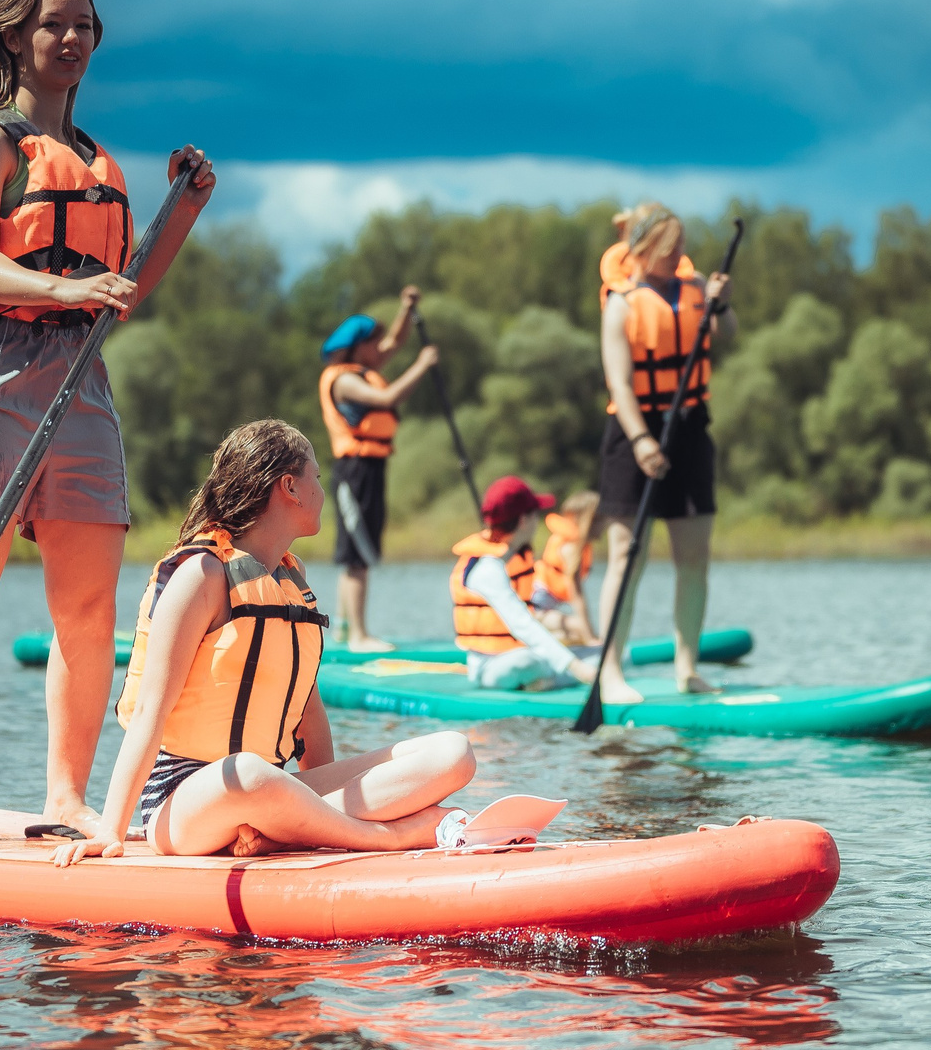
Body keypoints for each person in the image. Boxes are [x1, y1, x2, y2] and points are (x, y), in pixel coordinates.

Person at [0, 0, 214, 848]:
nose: (71, 41)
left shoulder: (98, 159)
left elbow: (123, 293)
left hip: (80, 374)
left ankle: (66, 799)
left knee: (87, 608)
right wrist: (61, 289)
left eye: (85, 27)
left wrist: (181, 210)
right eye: (53, 27)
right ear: (13, 39)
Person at [68, 419, 478, 863]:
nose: (322, 490)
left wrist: (315, 805)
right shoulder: (201, 576)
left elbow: (308, 711)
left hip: (271, 792)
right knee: (247, 773)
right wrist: (111, 829)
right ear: (290, 487)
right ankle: (388, 837)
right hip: (184, 800)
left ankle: (291, 833)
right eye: (316, 477)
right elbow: (150, 710)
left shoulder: (290, 579)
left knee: (453, 752)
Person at [595, 202, 730, 700]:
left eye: (681, 247)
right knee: (626, 557)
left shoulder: (698, 293)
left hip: (690, 429)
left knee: (694, 558)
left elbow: (726, 335)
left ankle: (687, 669)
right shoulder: (622, 303)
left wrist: (723, 304)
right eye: (668, 249)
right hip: (634, 435)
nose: (677, 257)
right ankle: (609, 673)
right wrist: (642, 441)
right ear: (643, 249)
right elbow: (621, 385)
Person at [315, 291, 439, 651]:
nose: (380, 348)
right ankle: (359, 635)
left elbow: (396, 341)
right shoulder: (344, 379)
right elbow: (387, 400)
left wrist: (406, 309)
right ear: (357, 347)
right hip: (355, 470)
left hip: (370, 466)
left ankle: (342, 628)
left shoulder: (363, 369)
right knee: (357, 553)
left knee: (357, 549)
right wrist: (423, 364)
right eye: (373, 342)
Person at [451, 476, 601, 690]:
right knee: (528, 662)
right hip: (491, 666)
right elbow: (523, 623)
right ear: (523, 520)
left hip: (520, 651)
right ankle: (559, 676)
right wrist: (577, 667)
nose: (537, 521)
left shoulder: (513, 555)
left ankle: (550, 679)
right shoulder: (487, 569)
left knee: (603, 657)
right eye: (535, 515)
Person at [530, 489, 602, 645]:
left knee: (581, 632)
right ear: (585, 519)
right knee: (581, 629)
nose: (605, 524)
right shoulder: (570, 548)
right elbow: (577, 597)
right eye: (599, 519)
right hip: (535, 611)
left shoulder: (576, 545)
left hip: (545, 610)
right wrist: (591, 639)